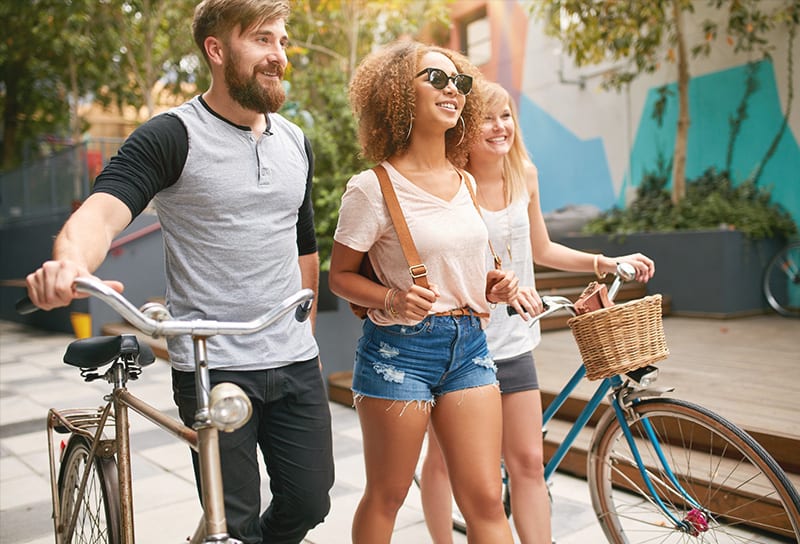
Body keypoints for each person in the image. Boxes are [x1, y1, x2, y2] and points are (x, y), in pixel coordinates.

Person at [24, 1, 334, 542]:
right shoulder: (172, 136)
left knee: (310, 502)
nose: (279, 55)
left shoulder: (294, 142)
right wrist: (68, 264)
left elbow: (303, 240)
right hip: (212, 363)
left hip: (293, 359)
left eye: (282, 41)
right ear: (216, 50)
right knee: (233, 528)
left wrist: (304, 324)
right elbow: (99, 216)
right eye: (263, 40)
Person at [418, 80, 655, 544]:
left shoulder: (523, 172)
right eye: (487, 116)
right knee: (446, 461)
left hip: (514, 341)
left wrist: (601, 262)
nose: (499, 126)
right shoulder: (449, 180)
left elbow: (540, 246)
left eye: (506, 115)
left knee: (528, 461)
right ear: (466, 125)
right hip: (460, 343)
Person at [329, 41, 522, 544]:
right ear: (397, 94)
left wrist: (491, 284)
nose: (452, 89)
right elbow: (340, 277)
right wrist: (390, 299)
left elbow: (460, 264)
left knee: (483, 499)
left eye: (459, 82)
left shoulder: (465, 181)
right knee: (388, 495)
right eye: (435, 79)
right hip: (400, 351)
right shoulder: (370, 189)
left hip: (470, 345)